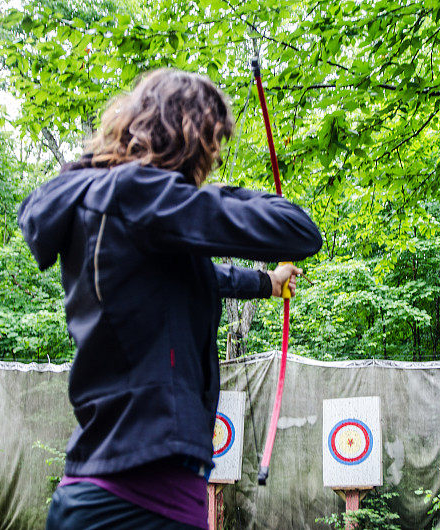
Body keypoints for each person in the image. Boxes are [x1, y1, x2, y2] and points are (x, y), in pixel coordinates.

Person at [18, 69, 322, 529]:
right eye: (213, 145)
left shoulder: (106, 207)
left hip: (92, 494)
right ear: (191, 136)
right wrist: (210, 195)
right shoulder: (142, 195)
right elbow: (298, 230)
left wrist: (267, 282)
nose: (214, 158)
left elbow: (192, 275)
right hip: (144, 503)